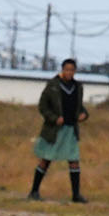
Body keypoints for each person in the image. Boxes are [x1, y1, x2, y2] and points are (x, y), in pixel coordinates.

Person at [28, 58, 89, 203]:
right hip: (55, 130)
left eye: (72, 70)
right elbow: (43, 106)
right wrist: (54, 118)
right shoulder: (53, 85)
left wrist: (84, 114)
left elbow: (79, 106)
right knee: (46, 160)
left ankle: (76, 195)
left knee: (74, 161)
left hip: (71, 130)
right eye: (66, 69)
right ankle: (34, 191)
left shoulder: (78, 87)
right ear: (62, 70)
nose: (69, 72)